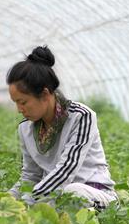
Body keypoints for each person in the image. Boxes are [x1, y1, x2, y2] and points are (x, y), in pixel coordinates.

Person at [7, 46, 117, 209]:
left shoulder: (81, 116)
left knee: (72, 193)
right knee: (55, 199)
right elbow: (30, 177)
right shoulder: (25, 128)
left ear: (45, 94)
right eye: (16, 103)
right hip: (53, 196)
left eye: (23, 102)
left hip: (94, 195)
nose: (19, 109)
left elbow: (66, 171)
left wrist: (29, 203)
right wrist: (6, 201)